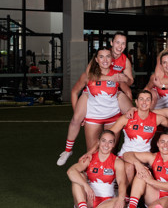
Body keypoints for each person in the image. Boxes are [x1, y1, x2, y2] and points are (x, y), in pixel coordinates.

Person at [57, 33, 134, 166]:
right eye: (117, 42)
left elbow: (128, 85)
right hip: (93, 102)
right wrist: (78, 113)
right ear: (111, 43)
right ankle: (68, 150)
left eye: (123, 43)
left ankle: (132, 151)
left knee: (112, 148)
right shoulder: (97, 63)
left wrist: (124, 80)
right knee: (77, 121)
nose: (120, 46)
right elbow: (89, 76)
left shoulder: (123, 62)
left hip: (112, 106)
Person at [64, 130, 126, 208]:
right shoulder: (89, 158)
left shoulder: (117, 162)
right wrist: (85, 185)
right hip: (88, 199)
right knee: (78, 177)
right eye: (103, 141)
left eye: (110, 142)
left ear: (114, 144)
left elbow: (122, 182)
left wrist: (121, 199)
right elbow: (71, 171)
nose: (106, 145)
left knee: (118, 204)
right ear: (98, 142)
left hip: (106, 202)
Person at [79, 48, 124, 153]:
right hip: (93, 116)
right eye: (101, 56)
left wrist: (126, 114)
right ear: (96, 59)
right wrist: (80, 116)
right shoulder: (89, 74)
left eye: (108, 56)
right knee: (92, 152)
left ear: (112, 59)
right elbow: (75, 92)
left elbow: (127, 91)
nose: (105, 59)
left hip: (113, 115)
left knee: (111, 151)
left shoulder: (117, 74)